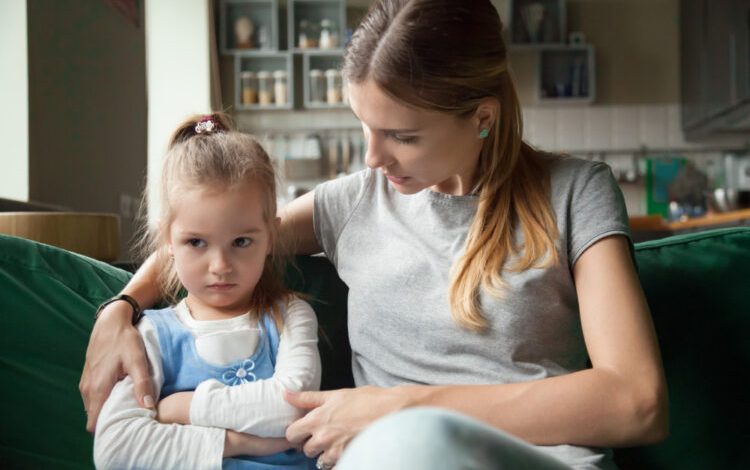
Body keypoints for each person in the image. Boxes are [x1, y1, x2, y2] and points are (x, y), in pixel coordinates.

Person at [81, 1, 668, 469]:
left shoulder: (575, 192)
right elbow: (216, 239)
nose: (373, 156)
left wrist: (399, 410)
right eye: (364, 126)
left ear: (482, 118)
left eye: (402, 135)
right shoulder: (352, 203)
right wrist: (120, 310)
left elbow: (636, 402)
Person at [92, 114, 321, 469]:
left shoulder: (290, 315)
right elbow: (116, 448)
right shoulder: (153, 333)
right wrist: (240, 443)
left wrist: (184, 408)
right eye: (196, 242)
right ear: (168, 241)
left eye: (241, 241)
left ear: (271, 237)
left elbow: (293, 405)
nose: (220, 266)